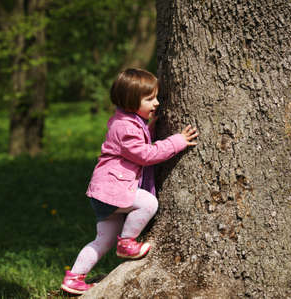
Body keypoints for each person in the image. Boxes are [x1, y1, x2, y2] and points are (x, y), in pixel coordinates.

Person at [61, 68, 198, 295]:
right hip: (112, 191)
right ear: (131, 100)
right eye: (149, 98)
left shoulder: (127, 121)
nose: (156, 103)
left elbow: (139, 139)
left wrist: (152, 127)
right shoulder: (124, 127)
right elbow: (145, 154)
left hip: (104, 193)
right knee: (148, 203)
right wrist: (178, 141)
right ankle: (126, 243)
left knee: (102, 241)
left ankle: (74, 277)